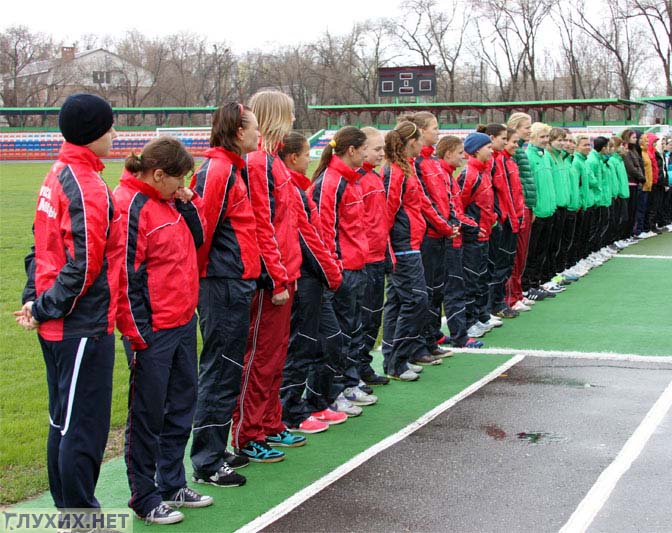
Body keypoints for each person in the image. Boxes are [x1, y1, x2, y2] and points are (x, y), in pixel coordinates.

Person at [16, 94, 122, 512]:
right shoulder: (84, 184)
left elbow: (38, 247)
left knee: (62, 423)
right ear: (93, 132)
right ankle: (80, 517)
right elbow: (84, 266)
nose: (115, 134)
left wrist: (35, 301)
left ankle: (68, 512)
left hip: (59, 320)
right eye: (109, 127)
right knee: (82, 428)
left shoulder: (57, 172)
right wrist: (42, 306)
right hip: (80, 325)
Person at [115, 137, 212, 525]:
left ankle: (172, 481)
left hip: (182, 320)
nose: (183, 185)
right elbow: (126, 276)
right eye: (179, 179)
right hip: (151, 330)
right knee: (147, 414)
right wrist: (139, 334)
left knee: (181, 405)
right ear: (158, 174)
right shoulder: (130, 206)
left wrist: (187, 202)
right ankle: (144, 494)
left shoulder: (171, 202)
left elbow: (198, 240)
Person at [189, 103, 260, 486]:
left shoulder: (231, 168)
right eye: (253, 128)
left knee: (228, 368)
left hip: (235, 280)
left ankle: (214, 448)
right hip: (221, 283)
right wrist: (207, 276)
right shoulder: (218, 170)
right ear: (237, 132)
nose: (258, 135)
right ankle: (206, 460)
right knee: (219, 369)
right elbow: (204, 229)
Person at [231, 90, 304, 463]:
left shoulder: (272, 160)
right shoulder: (258, 162)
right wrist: (275, 278)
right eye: (289, 113)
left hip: (286, 270)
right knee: (259, 357)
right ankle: (247, 433)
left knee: (276, 355)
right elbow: (262, 225)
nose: (293, 119)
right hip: (270, 277)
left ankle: (270, 422)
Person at [278, 132, 344, 433]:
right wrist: (331, 272)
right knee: (300, 347)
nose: (310, 160)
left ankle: (316, 401)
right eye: (306, 155)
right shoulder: (290, 189)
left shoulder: (299, 189)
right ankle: (290, 410)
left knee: (329, 340)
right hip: (304, 276)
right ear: (293, 158)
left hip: (316, 275)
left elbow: (315, 232)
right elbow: (306, 238)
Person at [310, 126, 378, 407]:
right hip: (342, 270)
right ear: (351, 150)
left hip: (356, 265)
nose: (367, 155)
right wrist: (334, 269)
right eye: (365, 149)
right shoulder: (331, 181)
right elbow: (325, 229)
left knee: (352, 329)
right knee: (335, 336)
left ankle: (349, 382)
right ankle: (333, 391)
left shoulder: (350, 180)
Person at [409, 112, 458, 361]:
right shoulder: (417, 164)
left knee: (437, 289)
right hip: (429, 235)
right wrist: (443, 225)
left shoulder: (433, 163)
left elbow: (444, 197)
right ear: (420, 131)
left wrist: (451, 222)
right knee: (425, 292)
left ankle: (432, 337)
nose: (437, 132)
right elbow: (424, 202)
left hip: (441, 232)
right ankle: (420, 342)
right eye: (434, 128)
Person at [435, 135, 483, 348]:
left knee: (446, 289)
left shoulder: (447, 175)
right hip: (449, 239)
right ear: (447, 154)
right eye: (459, 152)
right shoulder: (442, 175)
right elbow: (451, 210)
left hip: (453, 237)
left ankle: (435, 333)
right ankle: (460, 336)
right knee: (453, 289)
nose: (463, 156)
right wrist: (471, 224)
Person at [356, 127, 392, 385]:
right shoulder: (355, 180)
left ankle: (362, 366)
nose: (382, 153)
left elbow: (381, 221)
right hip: (362, 261)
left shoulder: (375, 177)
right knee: (359, 320)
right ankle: (352, 372)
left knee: (371, 319)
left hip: (378, 258)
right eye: (377, 149)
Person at [458, 132, 497, 339]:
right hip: (472, 238)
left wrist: (492, 217)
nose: (492, 151)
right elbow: (458, 207)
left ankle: (481, 316)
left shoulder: (483, 172)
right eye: (488, 147)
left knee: (482, 278)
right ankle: (469, 321)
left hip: (484, 235)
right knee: (470, 280)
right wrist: (472, 227)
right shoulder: (469, 174)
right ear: (476, 150)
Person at [480, 123, 519, 320]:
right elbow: (493, 193)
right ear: (492, 138)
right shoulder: (492, 162)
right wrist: (497, 217)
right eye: (504, 139)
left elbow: (510, 192)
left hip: (507, 217)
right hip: (498, 220)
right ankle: (491, 305)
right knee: (494, 265)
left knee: (503, 263)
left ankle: (497, 303)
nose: (506, 143)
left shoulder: (503, 160)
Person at [504, 113, 538, 309]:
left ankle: (517, 293)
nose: (529, 130)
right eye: (526, 126)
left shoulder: (520, 152)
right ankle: (511, 296)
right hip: (518, 207)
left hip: (525, 205)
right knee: (514, 254)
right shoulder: (514, 153)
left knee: (521, 253)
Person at [522, 123, 557, 300]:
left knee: (542, 250)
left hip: (548, 209)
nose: (545, 140)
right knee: (532, 251)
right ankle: (527, 286)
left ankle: (536, 282)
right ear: (533, 137)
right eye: (542, 137)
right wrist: (533, 208)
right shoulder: (528, 156)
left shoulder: (546, 157)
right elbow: (528, 186)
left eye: (546, 137)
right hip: (537, 212)